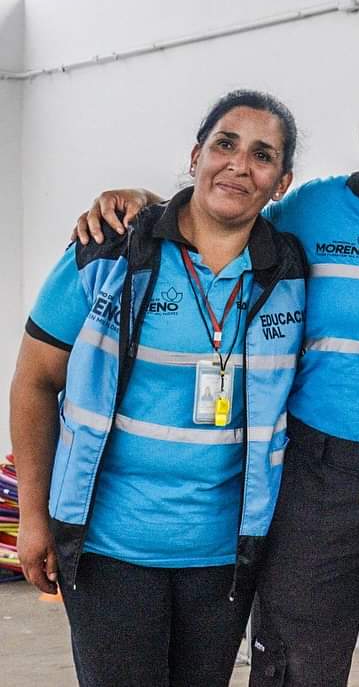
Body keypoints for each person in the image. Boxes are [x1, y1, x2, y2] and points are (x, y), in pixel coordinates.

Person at [72, 59, 359, 687]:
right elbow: (221, 214)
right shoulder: (315, 207)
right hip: (319, 478)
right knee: (294, 667)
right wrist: (145, 205)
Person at [13, 89, 307, 686]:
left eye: (262, 155)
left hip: (224, 559)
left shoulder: (292, 273)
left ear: (281, 183)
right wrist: (34, 517)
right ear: (196, 154)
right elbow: (35, 382)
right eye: (224, 144)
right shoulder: (111, 249)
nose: (238, 165)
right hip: (108, 551)